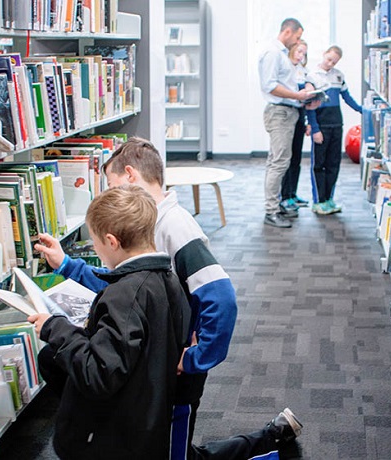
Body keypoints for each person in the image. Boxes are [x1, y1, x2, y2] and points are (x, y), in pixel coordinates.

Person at [34, 138, 239, 460]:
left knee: (177, 451)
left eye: (112, 184)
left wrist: (197, 357)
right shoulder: (148, 226)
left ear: (130, 175)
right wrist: (67, 265)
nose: (110, 192)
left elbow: (221, 297)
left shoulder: (175, 226)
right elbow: (122, 281)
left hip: (176, 367)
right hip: (156, 360)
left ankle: (265, 442)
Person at [27, 185, 190, 459]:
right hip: (147, 421)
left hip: (113, 438)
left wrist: (56, 328)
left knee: (51, 357)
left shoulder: (124, 296)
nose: (95, 248)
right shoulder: (167, 279)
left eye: (95, 241)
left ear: (112, 241)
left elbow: (99, 374)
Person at [258, 17, 317, 228]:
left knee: (281, 160)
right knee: (278, 162)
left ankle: (278, 205)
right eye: (298, 37)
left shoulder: (283, 55)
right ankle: (271, 211)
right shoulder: (273, 53)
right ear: (288, 32)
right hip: (280, 112)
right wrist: (296, 95)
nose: (298, 41)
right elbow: (269, 85)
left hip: (288, 112)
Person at [306, 45, 363, 215]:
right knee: (319, 164)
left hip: (336, 125)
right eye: (329, 59)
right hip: (321, 127)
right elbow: (310, 107)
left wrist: (362, 110)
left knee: (333, 164)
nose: (330, 63)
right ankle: (318, 201)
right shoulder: (312, 76)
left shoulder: (339, 76)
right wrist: (315, 129)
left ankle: (328, 199)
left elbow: (347, 98)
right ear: (324, 54)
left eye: (334, 61)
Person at [280, 39, 312, 213]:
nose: (301, 56)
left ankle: (292, 194)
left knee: (296, 158)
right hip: (287, 113)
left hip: (300, 114)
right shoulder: (285, 68)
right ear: (291, 49)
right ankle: (284, 196)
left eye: (304, 53)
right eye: (299, 51)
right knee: (286, 157)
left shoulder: (303, 70)